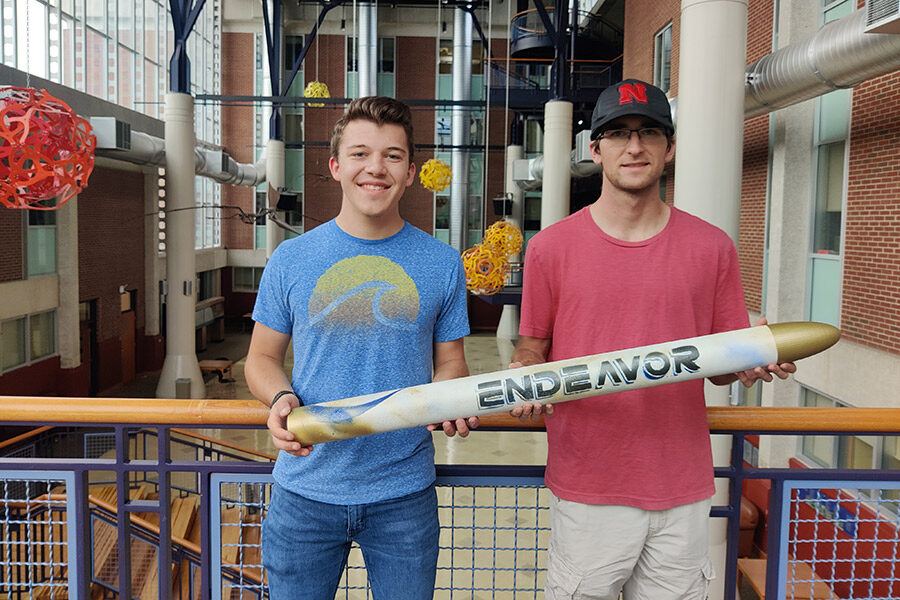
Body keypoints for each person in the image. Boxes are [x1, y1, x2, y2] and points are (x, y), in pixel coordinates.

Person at [509, 79, 796, 600]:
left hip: (682, 487)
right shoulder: (551, 248)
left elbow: (719, 367)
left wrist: (749, 362)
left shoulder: (712, 247)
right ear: (595, 150)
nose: (634, 146)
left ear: (670, 147)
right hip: (589, 486)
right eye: (618, 133)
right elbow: (532, 346)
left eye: (649, 133)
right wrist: (526, 372)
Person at [245, 96, 477, 600]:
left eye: (392, 156)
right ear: (335, 166)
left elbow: (451, 362)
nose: (376, 167)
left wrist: (449, 396)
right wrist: (280, 399)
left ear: (410, 172)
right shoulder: (291, 258)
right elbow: (261, 358)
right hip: (304, 491)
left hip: (404, 494)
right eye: (360, 154)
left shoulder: (442, 263)